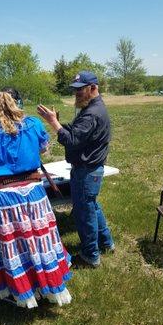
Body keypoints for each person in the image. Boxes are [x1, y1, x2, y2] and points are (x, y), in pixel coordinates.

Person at [0, 88, 72, 308]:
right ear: (19, 103)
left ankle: (17, 290)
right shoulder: (33, 124)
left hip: (0, 198)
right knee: (38, 243)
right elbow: (43, 151)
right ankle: (42, 286)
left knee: (9, 247)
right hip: (33, 195)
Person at [37, 70, 114, 268]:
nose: (77, 94)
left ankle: (90, 256)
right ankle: (106, 243)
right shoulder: (94, 109)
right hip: (92, 169)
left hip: (86, 171)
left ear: (93, 88)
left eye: (81, 90)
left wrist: (53, 123)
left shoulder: (91, 114)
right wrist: (60, 123)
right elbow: (76, 130)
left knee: (84, 212)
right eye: (75, 90)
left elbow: (70, 140)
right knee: (91, 206)